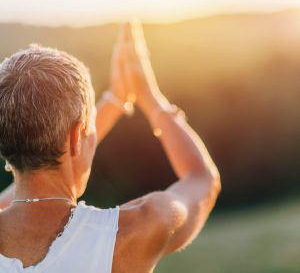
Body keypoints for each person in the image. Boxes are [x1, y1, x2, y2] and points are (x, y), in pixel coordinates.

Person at [0, 20, 221, 273]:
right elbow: (202, 178)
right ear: (75, 138)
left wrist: (114, 101)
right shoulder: (134, 230)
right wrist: (150, 98)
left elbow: (23, 192)